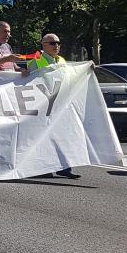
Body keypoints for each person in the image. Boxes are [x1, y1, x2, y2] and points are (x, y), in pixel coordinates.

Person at [28, 33, 80, 179]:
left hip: (60, 104)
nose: (56, 45)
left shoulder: (61, 60)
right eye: (52, 43)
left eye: (58, 42)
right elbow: (32, 80)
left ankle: (64, 167)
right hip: (43, 104)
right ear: (43, 45)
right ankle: (43, 168)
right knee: (44, 136)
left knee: (63, 136)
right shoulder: (36, 59)